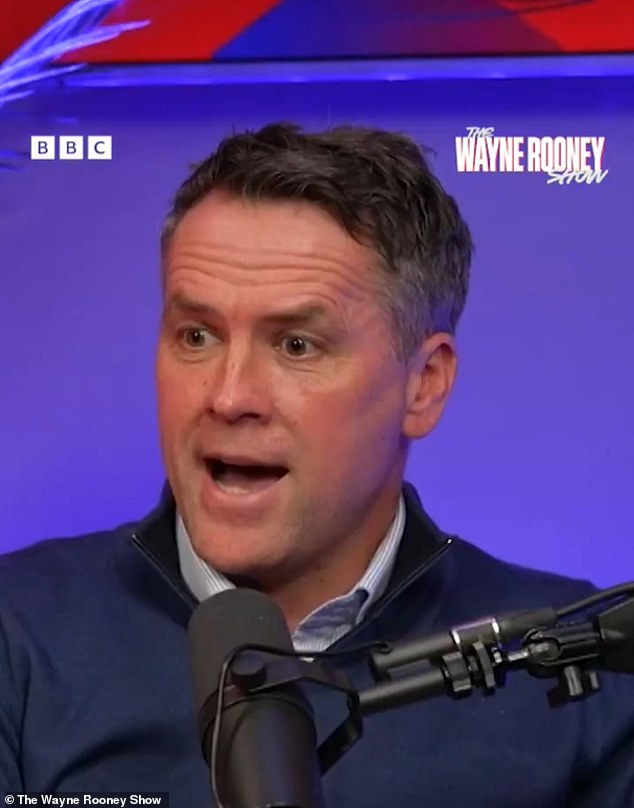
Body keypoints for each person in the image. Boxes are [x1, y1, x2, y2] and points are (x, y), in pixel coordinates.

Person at [1, 122, 633, 807]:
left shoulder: (581, 666)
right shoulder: (18, 632)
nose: (229, 396)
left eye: (296, 345)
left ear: (423, 385)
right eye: (197, 335)